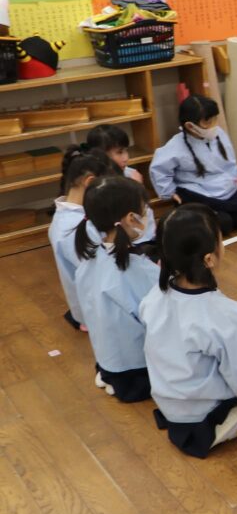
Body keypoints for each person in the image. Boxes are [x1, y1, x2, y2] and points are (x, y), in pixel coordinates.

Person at [140, 204, 237, 458]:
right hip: (204, 421)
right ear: (209, 258)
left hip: (173, 407)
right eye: (220, 240)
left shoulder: (154, 296)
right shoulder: (226, 315)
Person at [73, 176, 159, 402]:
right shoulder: (137, 270)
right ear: (131, 218)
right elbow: (162, 320)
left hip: (109, 361)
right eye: (144, 211)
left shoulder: (89, 262)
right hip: (137, 371)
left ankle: (109, 378)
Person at [149, 95, 237, 237]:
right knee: (224, 224)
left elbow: (230, 161)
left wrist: (233, 177)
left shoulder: (218, 134)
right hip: (199, 193)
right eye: (208, 122)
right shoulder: (176, 145)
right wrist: (169, 192)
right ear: (190, 126)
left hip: (225, 190)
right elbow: (159, 169)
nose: (213, 125)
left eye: (215, 119)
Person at [49, 146, 114, 331]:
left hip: (87, 301)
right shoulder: (74, 227)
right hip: (96, 308)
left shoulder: (64, 217)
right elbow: (100, 272)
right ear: (90, 181)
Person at [85, 124, 157, 244]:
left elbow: (146, 216)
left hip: (146, 238)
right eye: (119, 152)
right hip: (123, 244)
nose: (126, 158)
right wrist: (136, 191)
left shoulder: (131, 174)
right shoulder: (98, 186)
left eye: (126, 150)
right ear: (101, 155)